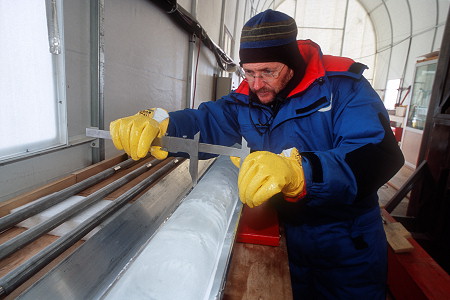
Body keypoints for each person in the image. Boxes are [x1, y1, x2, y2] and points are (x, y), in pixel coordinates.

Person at [110, 9, 404, 300]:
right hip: (287, 234)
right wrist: (163, 126)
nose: (257, 84)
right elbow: (206, 121)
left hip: (345, 246)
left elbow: (378, 154)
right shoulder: (246, 99)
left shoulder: (344, 89)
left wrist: (302, 173)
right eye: (248, 72)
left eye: (268, 72)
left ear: (291, 62)